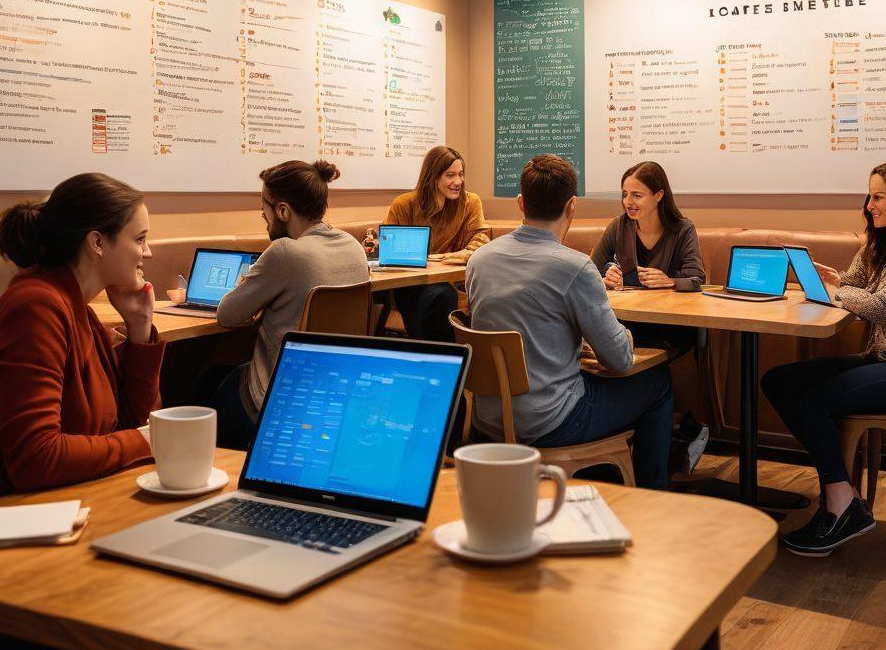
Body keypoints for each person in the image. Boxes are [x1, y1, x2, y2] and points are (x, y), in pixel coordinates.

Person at [0, 173, 216, 650]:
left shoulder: (76, 308)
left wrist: (139, 328)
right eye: (140, 238)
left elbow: (127, 424)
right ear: (96, 242)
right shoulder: (35, 307)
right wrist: (144, 442)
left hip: (34, 557)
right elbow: (37, 458)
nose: (148, 251)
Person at [762, 158, 886, 558]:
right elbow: (853, 285)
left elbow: (883, 306)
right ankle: (845, 495)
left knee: (814, 398)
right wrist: (831, 281)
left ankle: (840, 505)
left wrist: (834, 294)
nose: (870, 205)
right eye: (870, 196)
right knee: (780, 381)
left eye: (879, 196)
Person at [465, 154, 674, 490]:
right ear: (571, 206)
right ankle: (653, 496)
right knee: (658, 382)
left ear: (521, 203)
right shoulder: (574, 267)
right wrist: (617, 338)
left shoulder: (479, 260)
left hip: (487, 421)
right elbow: (620, 361)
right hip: (551, 422)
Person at [213, 159, 369, 448]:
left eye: (266, 211)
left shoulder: (286, 251)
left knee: (213, 382)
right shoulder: (353, 247)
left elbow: (227, 314)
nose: (265, 216)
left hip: (281, 399)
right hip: (338, 393)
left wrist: (247, 285)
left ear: (283, 210)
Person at [366, 145, 489, 341]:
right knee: (440, 296)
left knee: (444, 293)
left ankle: (433, 353)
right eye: (450, 175)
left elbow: (481, 242)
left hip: (451, 282)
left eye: (461, 174)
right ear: (433, 176)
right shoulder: (405, 204)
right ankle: (437, 354)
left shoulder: (470, 202)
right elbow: (388, 249)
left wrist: (448, 257)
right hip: (408, 284)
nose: (458, 182)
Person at [589, 160, 706, 360]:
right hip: (625, 321)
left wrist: (670, 281)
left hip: (669, 324)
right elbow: (589, 272)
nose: (628, 202)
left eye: (637, 195)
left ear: (658, 195)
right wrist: (604, 279)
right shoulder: (618, 226)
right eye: (625, 194)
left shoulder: (682, 229)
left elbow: (697, 278)